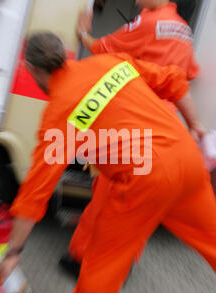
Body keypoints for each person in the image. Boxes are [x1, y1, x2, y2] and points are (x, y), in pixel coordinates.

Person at [0, 32, 216, 293]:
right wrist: (196, 126)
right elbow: (174, 81)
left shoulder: (59, 114)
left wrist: (12, 254)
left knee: (103, 266)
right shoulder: (112, 63)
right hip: (187, 160)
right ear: (64, 53)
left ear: (32, 68)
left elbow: (35, 194)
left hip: (145, 179)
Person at [62, 0, 205, 274]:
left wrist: (82, 33)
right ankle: (121, 264)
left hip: (136, 123)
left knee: (107, 195)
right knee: (137, 203)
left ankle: (82, 259)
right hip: (165, 127)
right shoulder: (184, 30)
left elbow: (103, 49)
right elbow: (192, 72)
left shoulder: (148, 22)